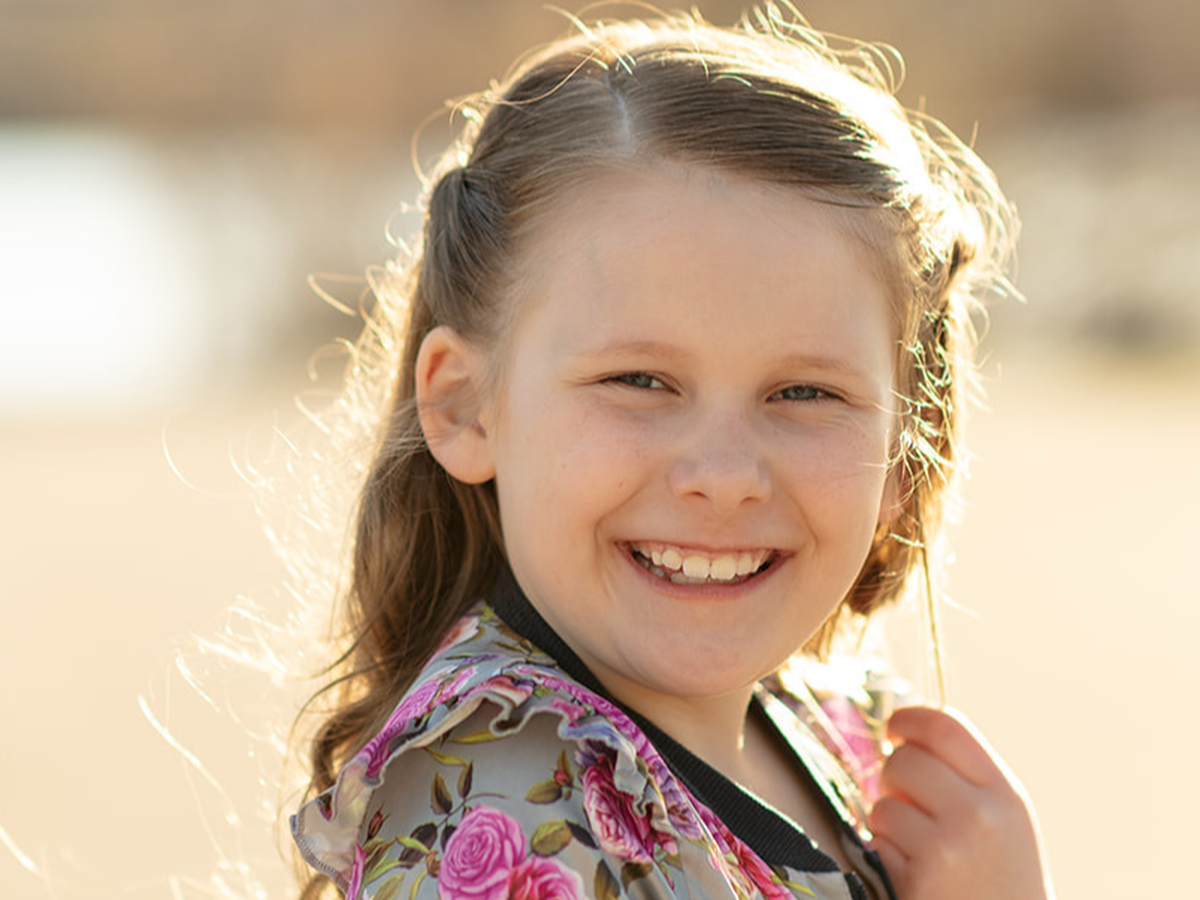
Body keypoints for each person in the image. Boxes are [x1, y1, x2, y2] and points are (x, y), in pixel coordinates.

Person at [288, 4, 1052, 899]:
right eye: (640, 381)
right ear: (465, 405)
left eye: (804, 393)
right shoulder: (507, 812)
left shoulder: (851, 737)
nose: (723, 477)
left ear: (903, 454)